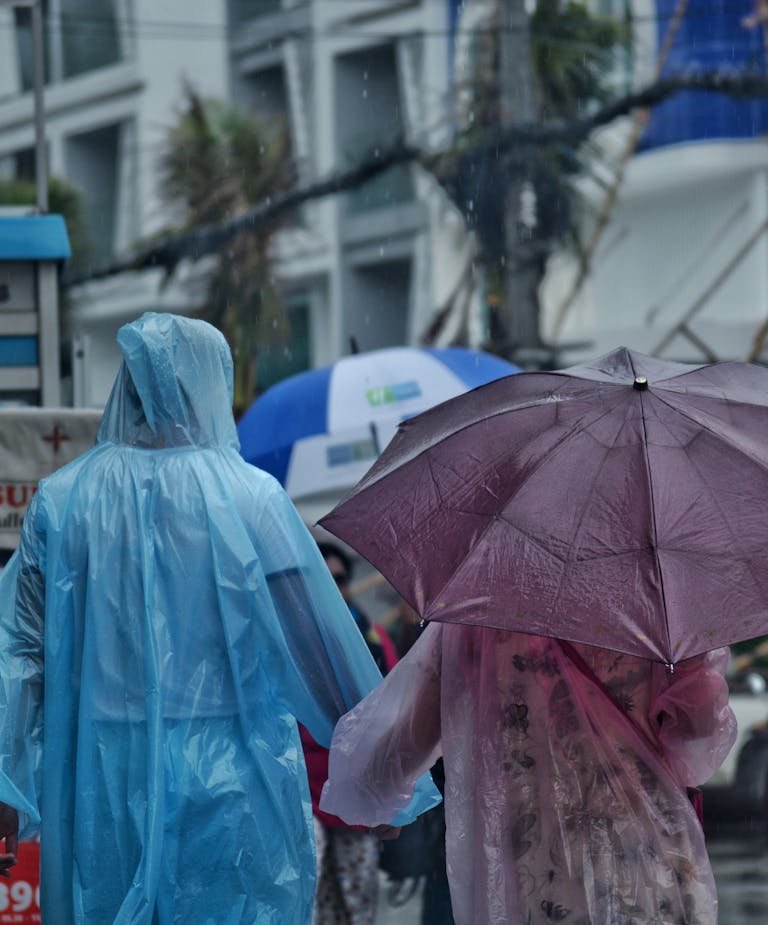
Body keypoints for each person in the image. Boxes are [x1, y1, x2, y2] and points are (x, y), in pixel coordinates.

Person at [0, 312, 440, 925]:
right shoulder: (250, 498)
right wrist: (381, 778)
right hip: (232, 780)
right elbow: (318, 649)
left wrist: (6, 782)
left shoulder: (64, 502)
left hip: (101, 779)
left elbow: (19, 651)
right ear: (211, 383)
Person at [321, 624, 737, 925]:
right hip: (651, 852)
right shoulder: (661, 609)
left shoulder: (485, 604)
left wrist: (377, 795)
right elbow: (699, 734)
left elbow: (421, 727)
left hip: (543, 860)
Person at [302, 542, 398, 925]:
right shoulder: (289, 640)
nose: (333, 589)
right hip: (302, 801)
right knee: (307, 908)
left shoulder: (372, 641)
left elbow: (395, 718)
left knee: (355, 912)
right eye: (323, 579)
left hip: (354, 801)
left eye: (339, 580)